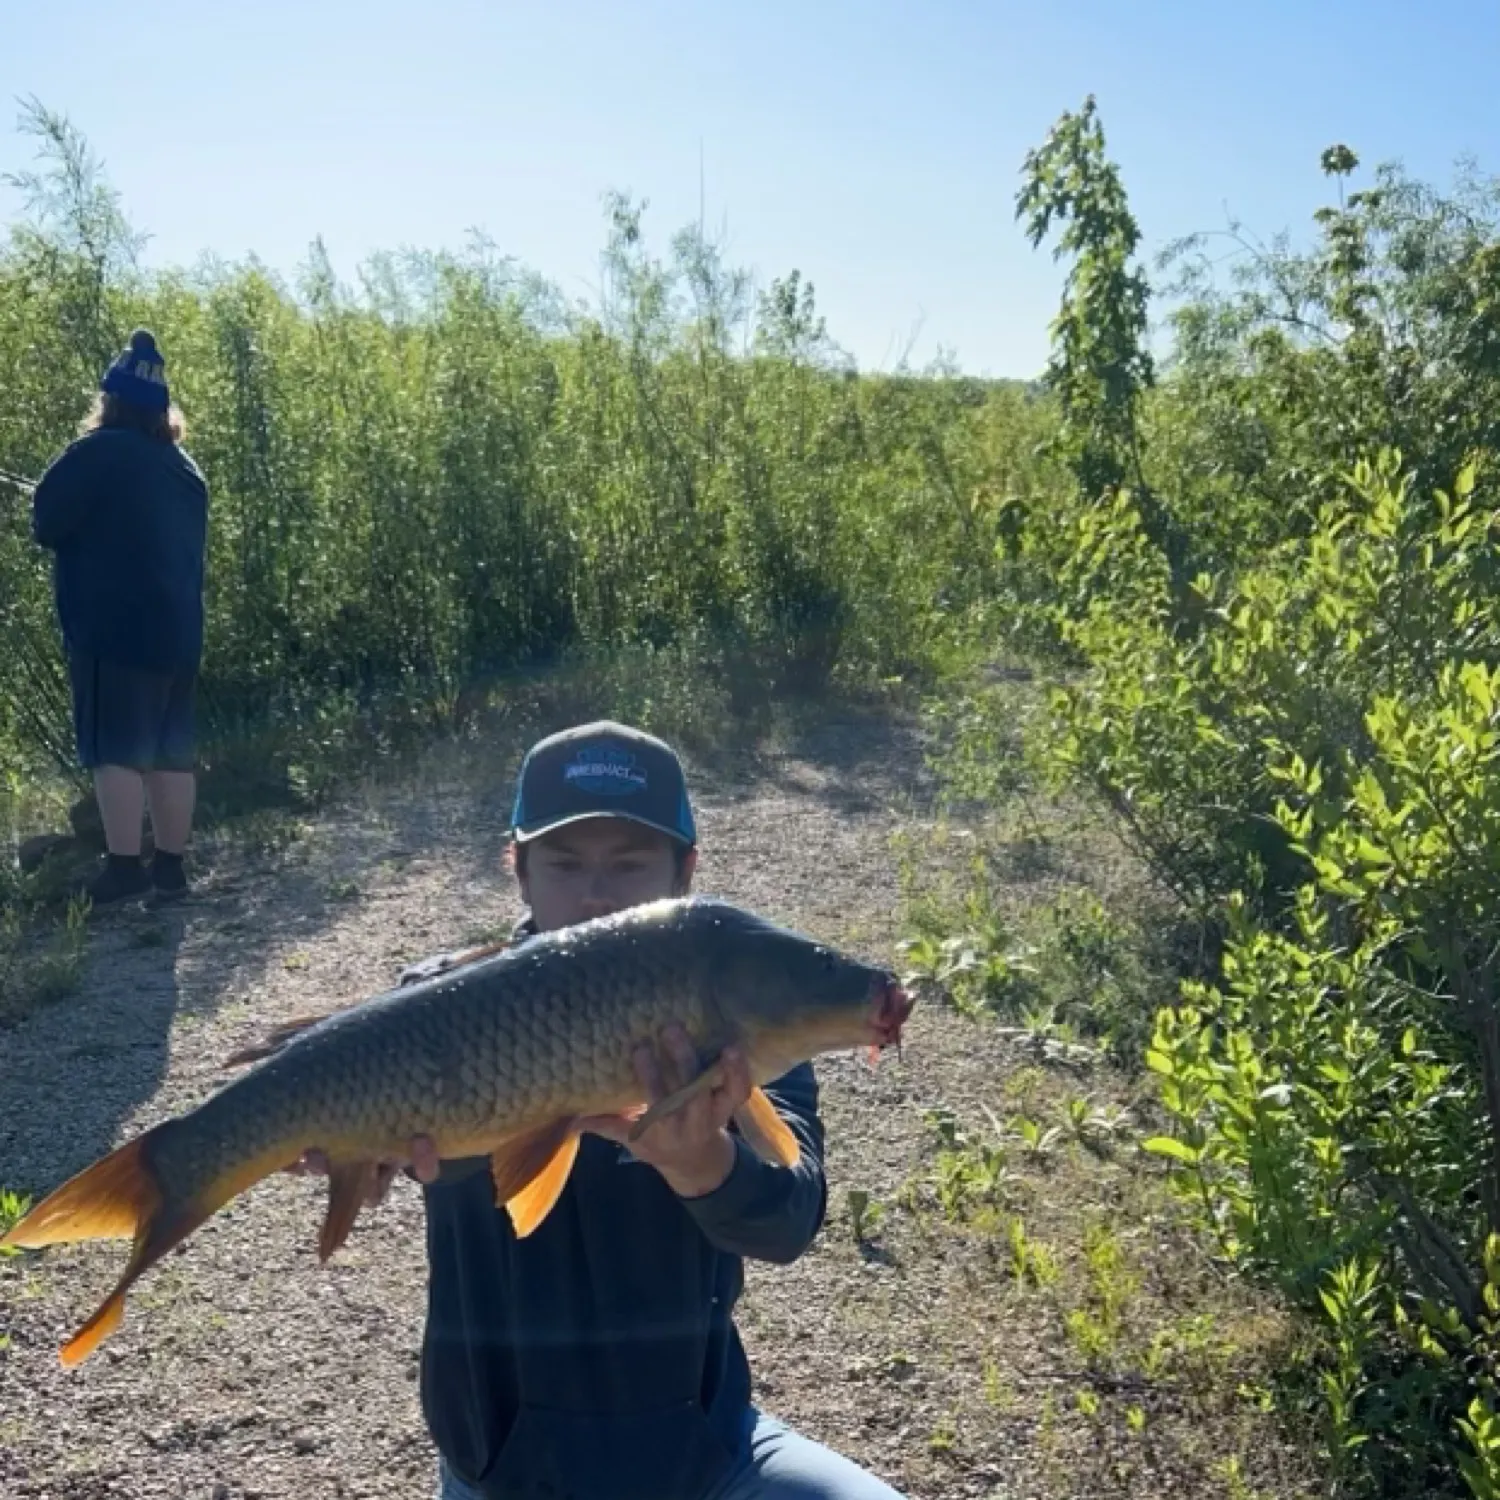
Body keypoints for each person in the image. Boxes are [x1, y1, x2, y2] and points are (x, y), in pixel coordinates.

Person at [296, 720, 905, 1500]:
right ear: (517, 871)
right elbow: (367, 1138)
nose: (595, 893)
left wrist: (703, 1166)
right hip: (499, 1459)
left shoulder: (739, 1017)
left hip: (698, 1451)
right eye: (564, 862)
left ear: (686, 872)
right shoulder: (436, 1004)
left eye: (629, 863)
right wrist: (359, 1158)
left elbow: (788, 1222)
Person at [30, 329, 209, 905]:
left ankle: (125, 869)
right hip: (179, 634)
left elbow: (47, 523)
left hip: (114, 632)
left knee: (117, 753)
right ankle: (171, 870)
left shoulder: (96, 453)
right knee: (171, 754)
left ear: (109, 400)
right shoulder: (185, 468)